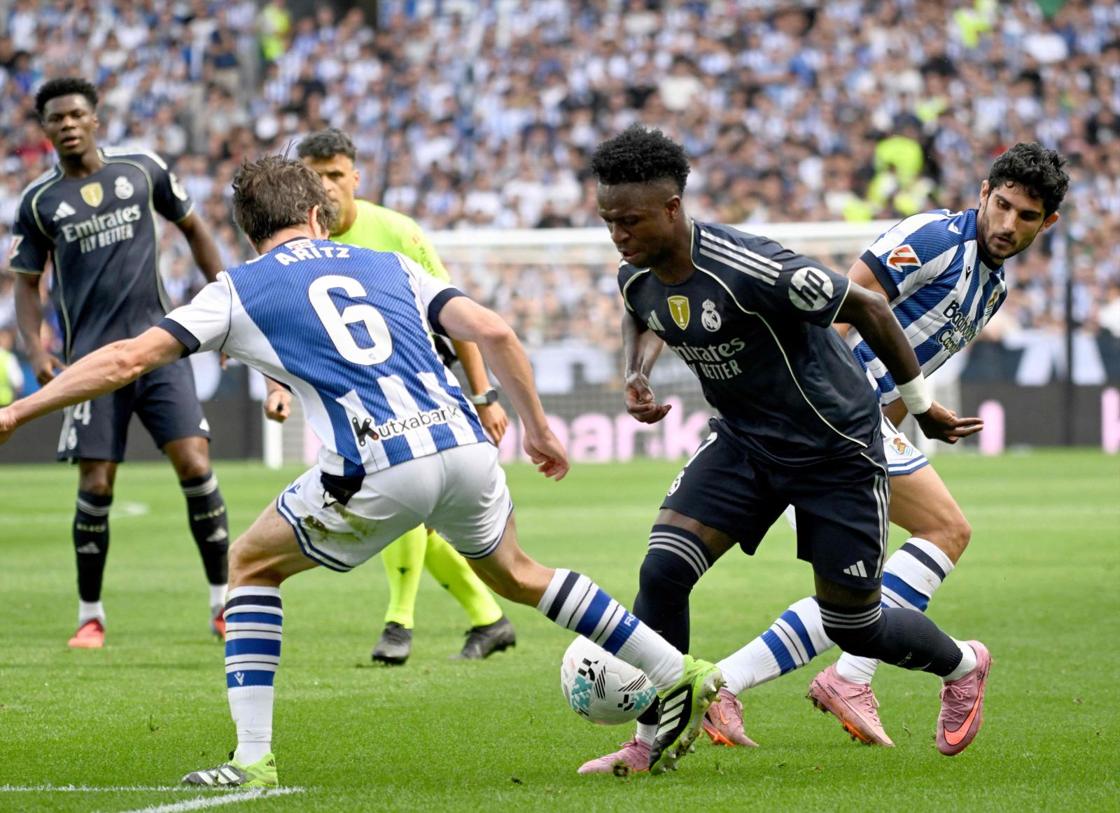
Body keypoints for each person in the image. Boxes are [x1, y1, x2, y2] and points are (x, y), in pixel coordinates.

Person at [0, 155, 725, 784]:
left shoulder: (238, 288)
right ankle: (681, 672)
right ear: (317, 215)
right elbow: (496, 330)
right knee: (517, 573)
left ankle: (253, 757)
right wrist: (535, 427)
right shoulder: (387, 264)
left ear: (248, 230)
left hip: (378, 461)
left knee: (250, 564)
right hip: (467, 447)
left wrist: (17, 411)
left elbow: (127, 359)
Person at [578, 125, 990, 775]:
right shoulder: (636, 272)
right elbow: (644, 306)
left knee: (855, 625)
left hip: (835, 450)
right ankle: (652, 737)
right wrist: (637, 371)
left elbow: (871, 307)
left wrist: (919, 402)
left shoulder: (753, 267)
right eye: (608, 221)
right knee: (662, 571)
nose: (618, 234)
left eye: (629, 220)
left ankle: (963, 663)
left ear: (673, 209)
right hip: (743, 440)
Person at [704, 142, 1068, 748]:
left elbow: (910, 367)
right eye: (1001, 205)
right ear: (983, 192)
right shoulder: (933, 237)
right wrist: (818, 407)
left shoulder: (993, 287)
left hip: (865, 423)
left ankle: (772, 680)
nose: (1007, 225)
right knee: (945, 532)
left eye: (1025, 217)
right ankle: (835, 675)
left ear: (1047, 222)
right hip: (830, 415)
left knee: (856, 590)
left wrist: (902, 424)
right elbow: (837, 309)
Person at [264, 128, 515, 664]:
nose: (327, 186)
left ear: (356, 176)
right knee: (418, 514)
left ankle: (399, 623)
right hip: (352, 396)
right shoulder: (297, 247)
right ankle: (490, 620)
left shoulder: (398, 232)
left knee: (403, 496)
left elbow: (459, 316)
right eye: (315, 176)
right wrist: (278, 386)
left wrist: (485, 394)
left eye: (336, 174)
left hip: (418, 383)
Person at [7, 77, 229, 648]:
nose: (69, 124)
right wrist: (36, 349)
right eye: (57, 118)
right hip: (91, 364)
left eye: (78, 114)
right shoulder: (38, 202)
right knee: (97, 484)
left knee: (196, 467)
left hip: (160, 347)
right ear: (46, 129)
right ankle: (90, 614)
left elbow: (195, 229)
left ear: (96, 119)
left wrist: (228, 302)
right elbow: (26, 285)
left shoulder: (141, 170)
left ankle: (222, 603)